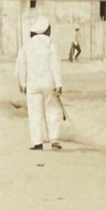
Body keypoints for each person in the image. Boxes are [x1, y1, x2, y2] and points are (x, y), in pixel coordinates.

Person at [15, 16, 64, 151]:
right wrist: (58, 83)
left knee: (34, 112)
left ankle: (37, 142)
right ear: (47, 31)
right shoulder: (51, 45)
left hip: (32, 84)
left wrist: (23, 83)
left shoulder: (26, 46)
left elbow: (21, 66)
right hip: (49, 82)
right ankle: (54, 140)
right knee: (52, 109)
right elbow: (55, 66)